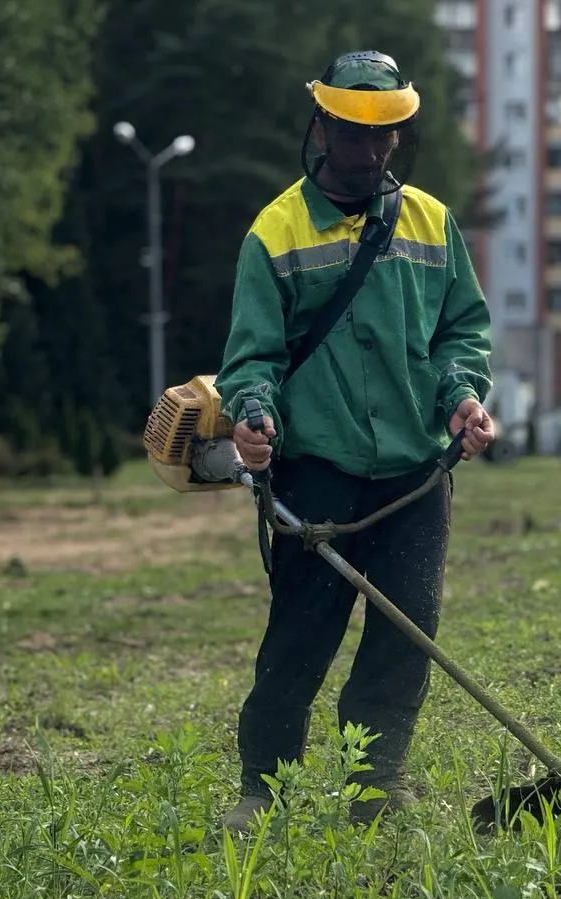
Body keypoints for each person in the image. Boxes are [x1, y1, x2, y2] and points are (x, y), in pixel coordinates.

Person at [214, 50, 495, 832]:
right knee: (299, 639)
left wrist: (464, 398)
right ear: (323, 126)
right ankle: (262, 789)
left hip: (413, 477)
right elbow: (252, 357)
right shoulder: (275, 231)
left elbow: (461, 333)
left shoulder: (432, 223)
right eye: (354, 135)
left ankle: (376, 785)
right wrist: (254, 415)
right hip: (317, 472)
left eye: (386, 138)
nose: (370, 153)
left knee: (407, 632)